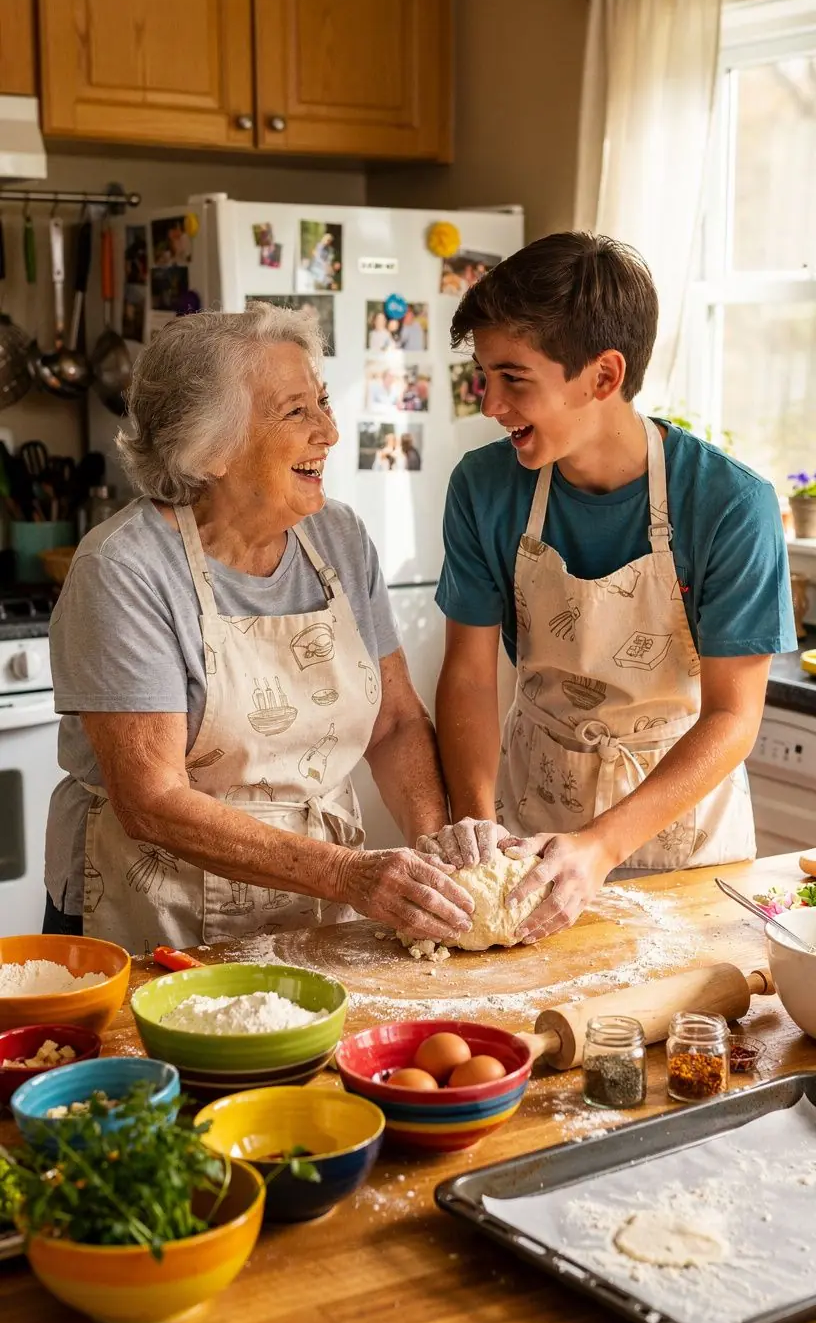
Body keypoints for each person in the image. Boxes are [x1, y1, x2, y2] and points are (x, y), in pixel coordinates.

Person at [44, 304, 473, 953]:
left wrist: (436, 848)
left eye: (323, 402)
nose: (329, 430)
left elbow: (394, 722)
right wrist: (349, 875)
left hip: (317, 904)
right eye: (296, 411)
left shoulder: (340, 538)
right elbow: (152, 799)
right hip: (156, 917)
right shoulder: (123, 569)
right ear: (209, 447)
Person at [422, 232, 796, 942]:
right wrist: (476, 825)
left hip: (686, 841)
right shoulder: (483, 487)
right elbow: (469, 675)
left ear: (602, 375)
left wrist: (600, 846)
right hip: (532, 827)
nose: (490, 403)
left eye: (513, 378)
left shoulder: (727, 504)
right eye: (483, 375)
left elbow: (732, 718)